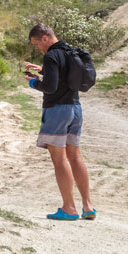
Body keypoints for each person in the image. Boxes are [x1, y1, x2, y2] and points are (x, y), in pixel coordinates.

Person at [25, 23, 96, 221]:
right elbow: (65, 77)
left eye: (37, 43)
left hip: (57, 110)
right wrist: (43, 70)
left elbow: (50, 87)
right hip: (75, 108)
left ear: (45, 38)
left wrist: (32, 82)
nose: (37, 48)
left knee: (59, 159)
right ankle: (88, 206)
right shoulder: (70, 51)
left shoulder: (51, 56)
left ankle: (69, 208)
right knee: (75, 157)